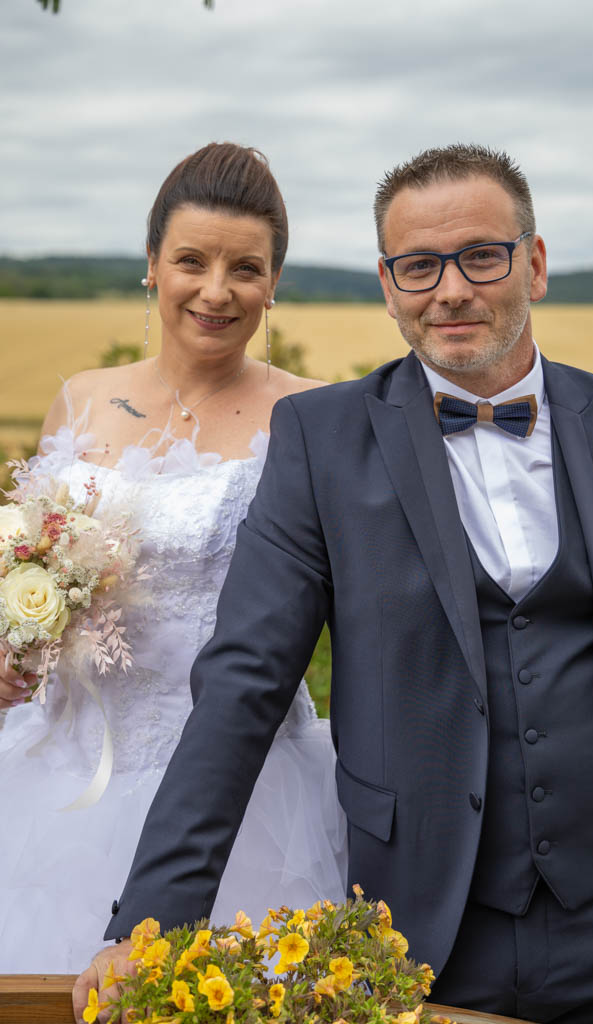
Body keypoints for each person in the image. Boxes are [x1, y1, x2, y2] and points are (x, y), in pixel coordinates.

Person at [76, 144, 593, 1024]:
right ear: (387, 285)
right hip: (421, 935)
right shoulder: (320, 440)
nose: (450, 290)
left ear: (534, 265)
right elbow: (244, 682)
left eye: (481, 256)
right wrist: (154, 923)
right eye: (418, 266)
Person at [0, 142, 347, 973]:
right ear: (152, 263)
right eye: (192, 261)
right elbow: (29, 563)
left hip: (243, 793)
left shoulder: (314, 418)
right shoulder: (81, 398)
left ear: (273, 282)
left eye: (246, 268)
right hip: (57, 769)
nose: (216, 291)